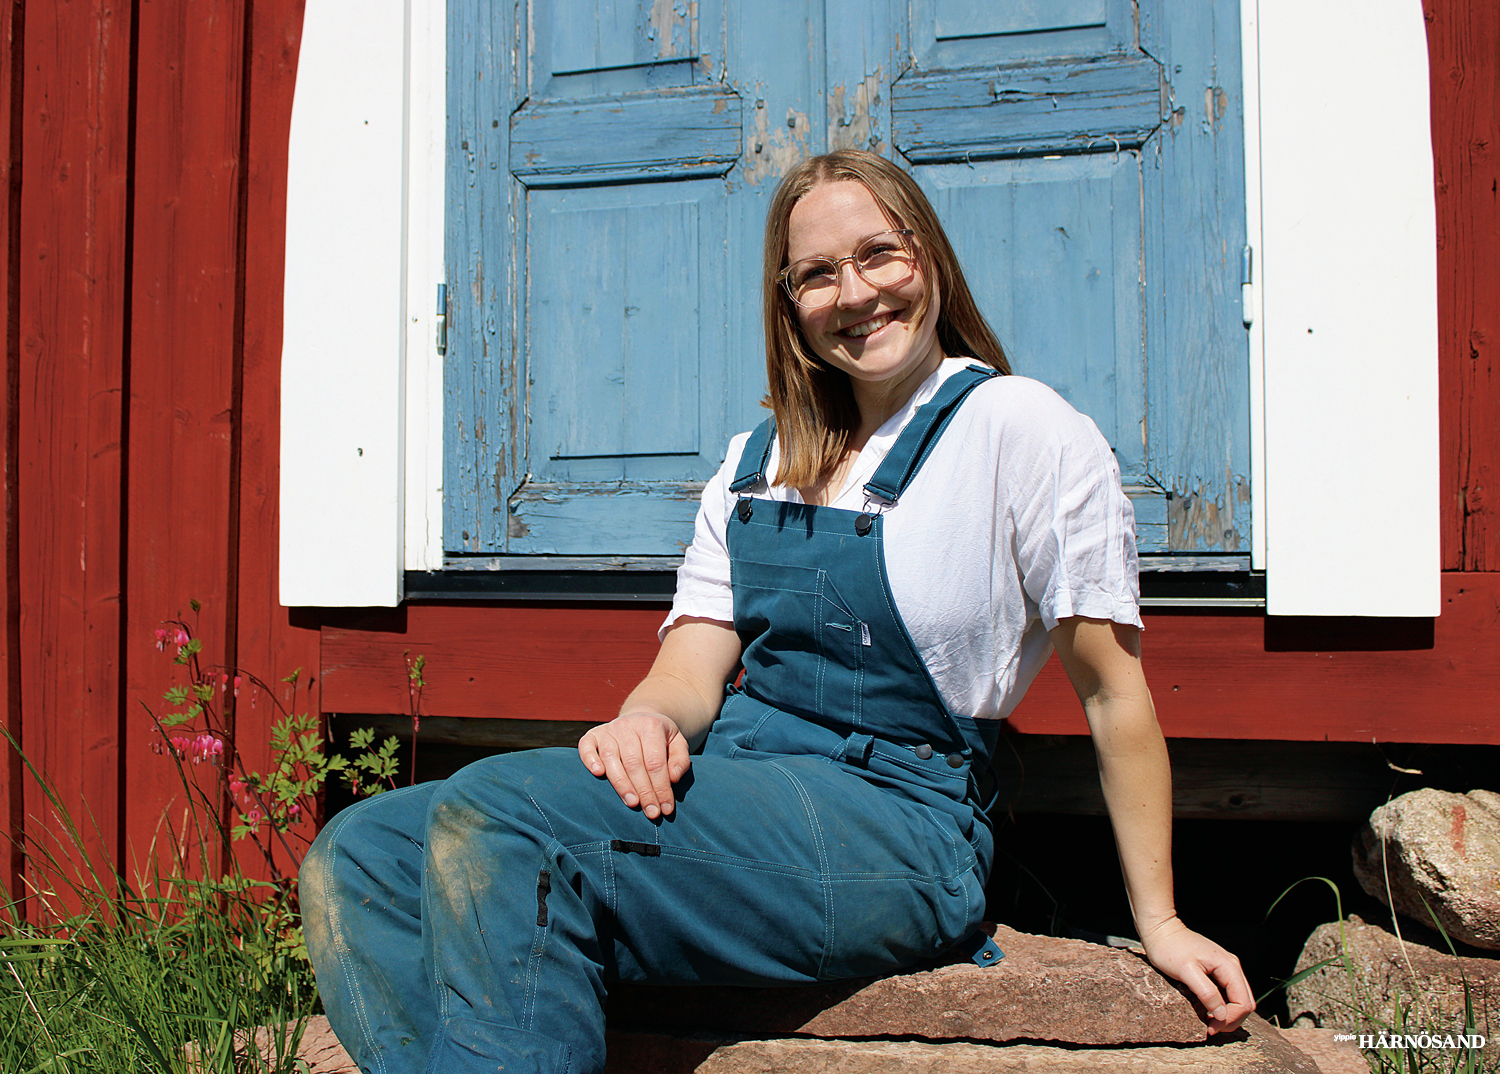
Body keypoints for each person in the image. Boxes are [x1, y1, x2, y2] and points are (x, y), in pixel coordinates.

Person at [301, 149, 1255, 1074]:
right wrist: (644, 722)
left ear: (931, 257)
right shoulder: (756, 460)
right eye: (817, 274)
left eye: (880, 253)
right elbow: (688, 670)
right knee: (365, 851)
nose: (854, 292)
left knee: (505, 820)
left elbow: (1112, 693)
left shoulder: (1023, 429)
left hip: (903, 820)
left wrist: (1159, 922)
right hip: (743, 782)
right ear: (790, 306)